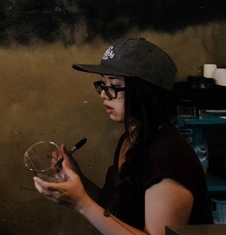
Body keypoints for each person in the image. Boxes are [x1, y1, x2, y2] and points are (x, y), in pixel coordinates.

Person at [32, 37, 213, 234]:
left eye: (114, 86)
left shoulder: (169, 156)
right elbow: (114, 212)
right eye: (102, 85)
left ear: (144, 92)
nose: (103, 95)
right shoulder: (132, 139)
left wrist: (81, 203)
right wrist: (78, 179)